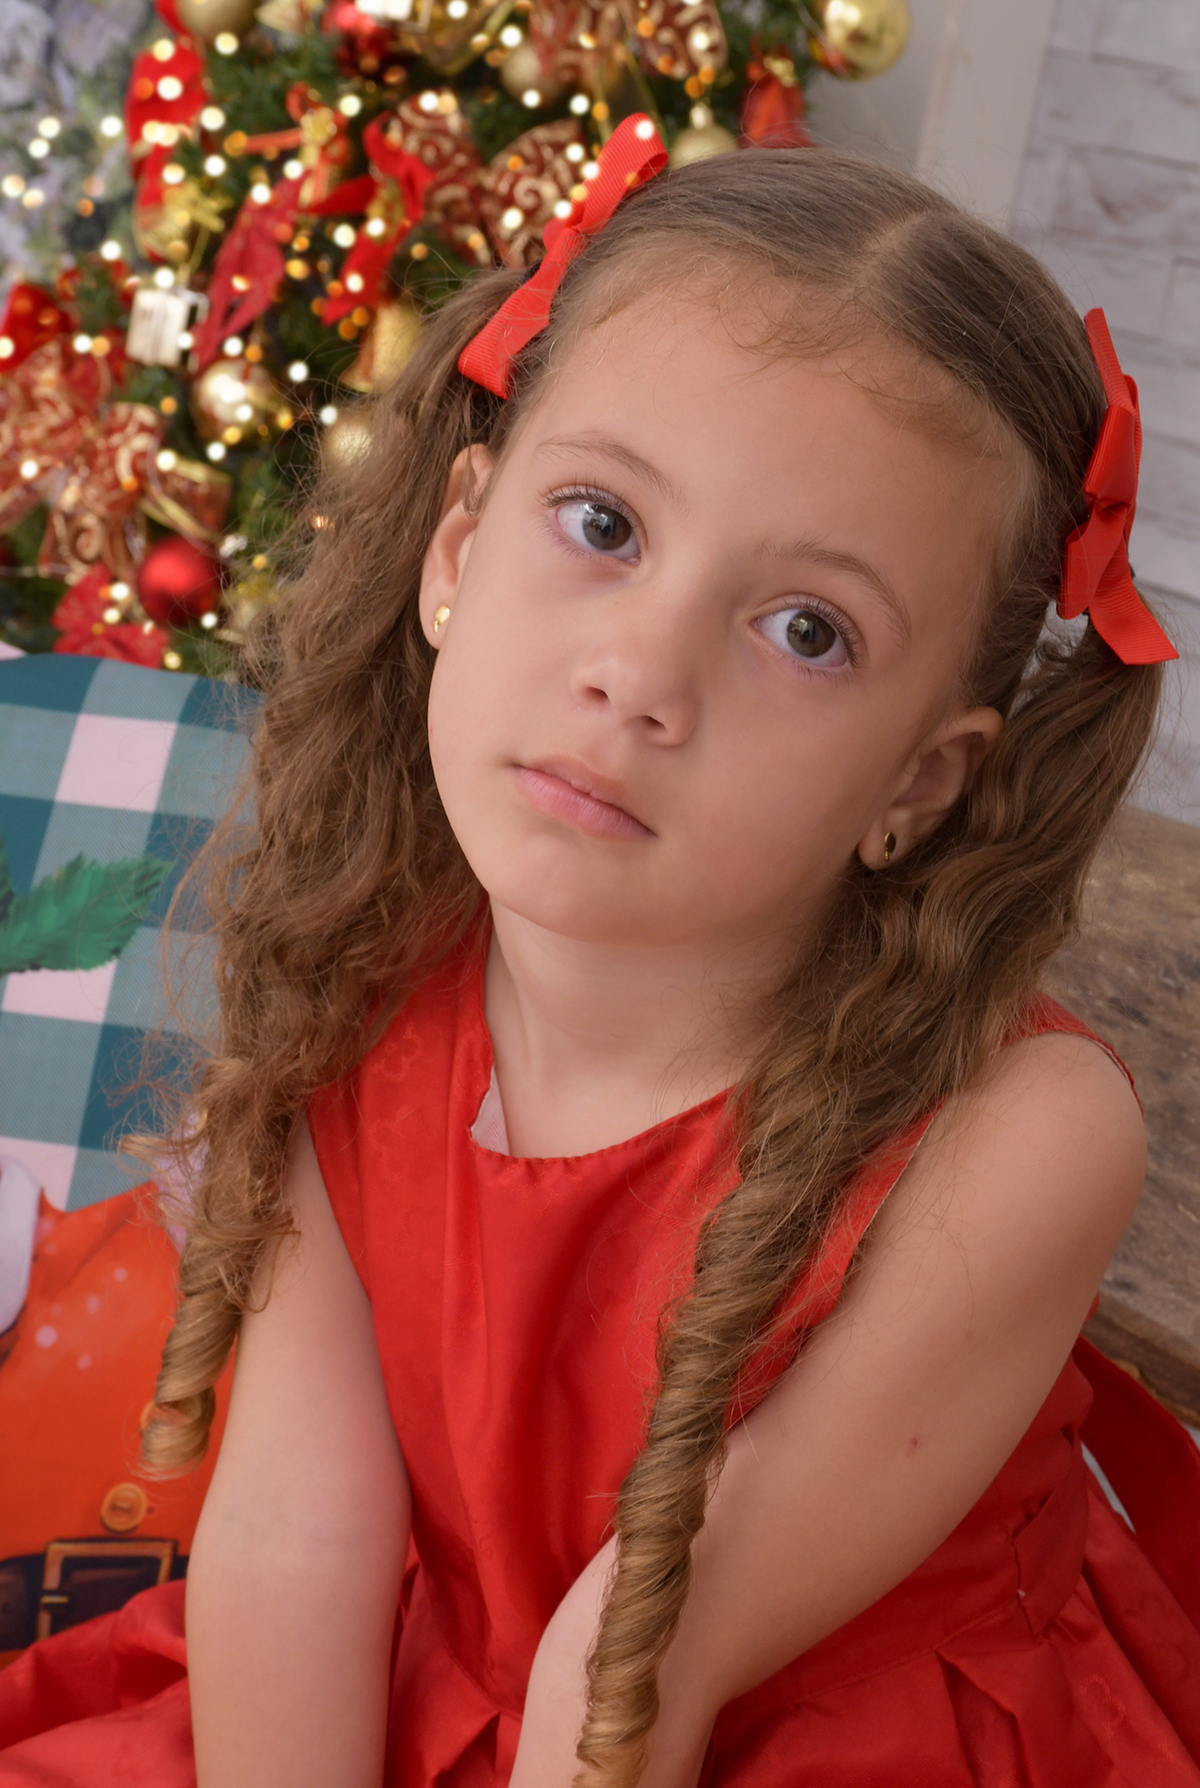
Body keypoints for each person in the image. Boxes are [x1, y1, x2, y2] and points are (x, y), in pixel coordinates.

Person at [1, 119, 1197, 1788]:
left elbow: (631, 1662)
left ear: (920, 781)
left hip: (776, 1728)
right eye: (605, 523)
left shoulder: (1022, 1143)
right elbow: (297, 1536)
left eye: (808, 630)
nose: (640, 675)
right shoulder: (366, 971)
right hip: (448, 1677)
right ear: (457, 550)